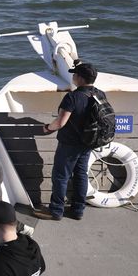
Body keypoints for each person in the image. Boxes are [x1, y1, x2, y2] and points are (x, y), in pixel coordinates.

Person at [40, 62, 104, 220]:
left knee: (61, 176)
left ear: (80, 78)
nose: (73, 76)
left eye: (75, 74)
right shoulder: (100, 94)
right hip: (88, 142)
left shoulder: (73, 97)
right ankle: (78, 210)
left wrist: (47, 128)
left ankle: (56, 210)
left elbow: (60, 123)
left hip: (69, 144)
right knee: (81, 174)